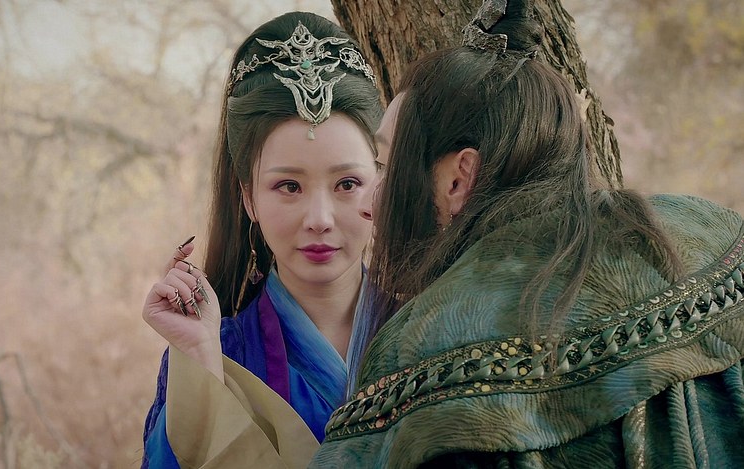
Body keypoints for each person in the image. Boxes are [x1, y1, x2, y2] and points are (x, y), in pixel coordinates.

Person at [312, 0, 744, 467]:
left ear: (459, 179)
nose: (370, 204)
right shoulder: (711, 231)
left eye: (386, 166)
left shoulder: (422, 344)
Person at [139, 11, 382, 469]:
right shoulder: (221, 351)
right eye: (289, 186)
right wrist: (202, 363)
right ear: (248, 198)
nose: (319, 219)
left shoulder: (435, 331)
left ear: (382, 184)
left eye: (347, 184)